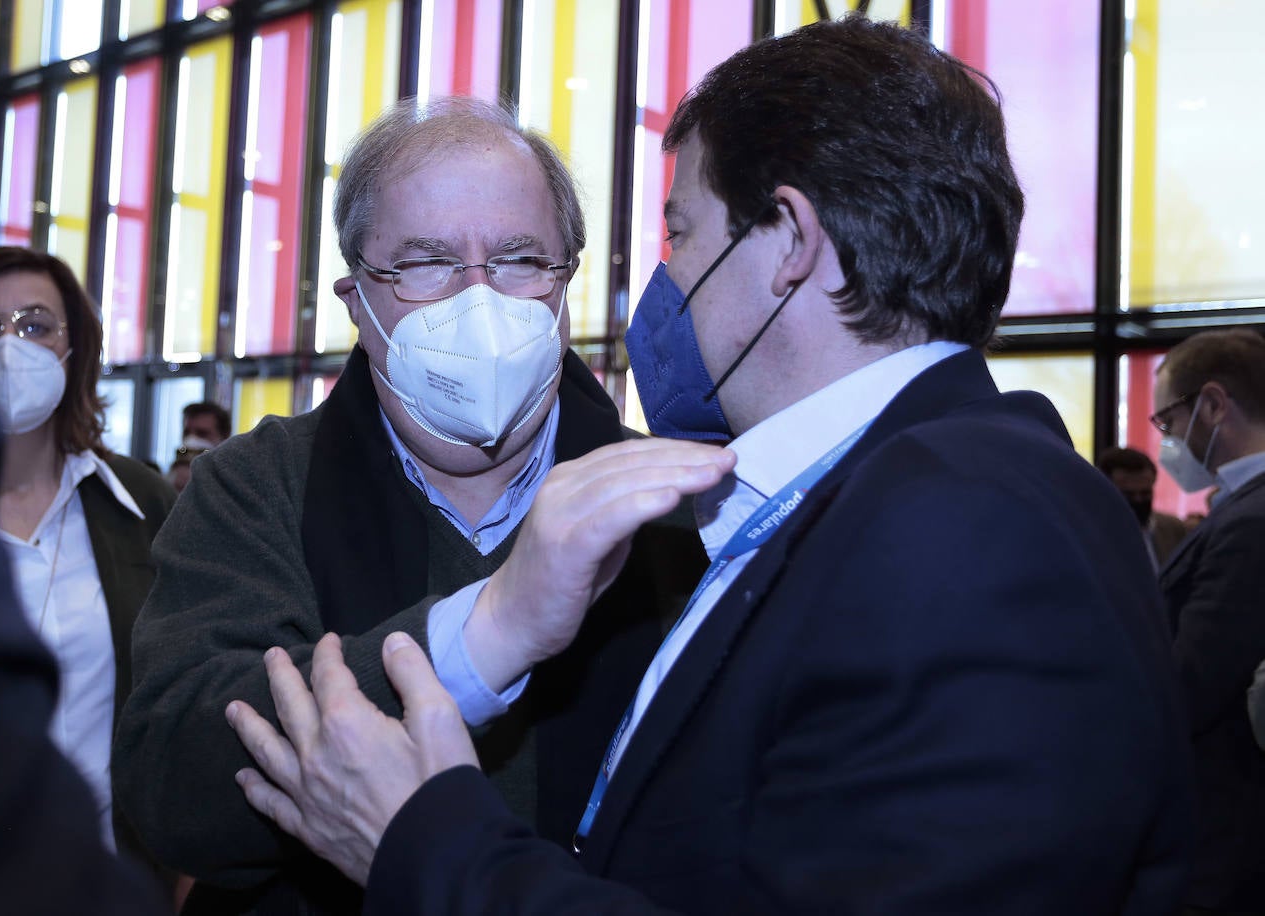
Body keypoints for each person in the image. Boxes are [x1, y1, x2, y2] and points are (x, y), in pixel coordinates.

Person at [225, 17, 1193, 914]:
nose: (667, 280)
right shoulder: (856, 502)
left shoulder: (971, 523)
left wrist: (424, 843)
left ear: (789, 242)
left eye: (682, 231)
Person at [112, 97, 709, 913]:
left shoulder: (672, 504)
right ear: (357, 303)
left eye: (519, 259)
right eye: (426, 264)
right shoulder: (255, 487)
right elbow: (173, 785)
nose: (480, 302)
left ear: (566, 283)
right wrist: (486, 634)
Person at [0, 258, 165, 915]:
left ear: (75, 350)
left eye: (35, 326)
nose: (8, 347)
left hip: (111, 874)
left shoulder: (141, 505)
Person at [1150, 328, 1265, 913]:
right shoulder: (1241, 508)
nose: (1167, 443)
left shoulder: (1252, 520)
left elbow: (1193, 682)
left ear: (1215, 405)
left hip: (1227, 838)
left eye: (1167, 422)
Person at [1096, 445, 1190, 570]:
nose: (1138, 500)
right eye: (1128, 494)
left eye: (1145, 493)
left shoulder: (1173, 530)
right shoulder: (1090, 535)